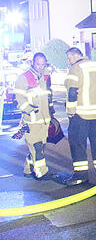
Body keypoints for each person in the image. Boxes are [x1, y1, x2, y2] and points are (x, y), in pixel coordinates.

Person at [59, 47, 96, 186]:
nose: (68, 61)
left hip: (81, 114)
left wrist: (70, 111)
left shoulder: (76, 68)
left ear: (75, 55)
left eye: (69, 58)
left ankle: (80, 175)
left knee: (77, 144)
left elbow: (72, 91)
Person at [13, 52, 54, 180]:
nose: (41, 67)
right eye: (38, 64)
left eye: (43, 64)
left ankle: (28, 169)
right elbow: (19, 100)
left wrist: (50, 112)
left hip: (43, 119)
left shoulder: (44, 77)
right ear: (32, 63)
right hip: (32, 120)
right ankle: (42, 172)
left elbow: (48, 96)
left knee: (39, 146)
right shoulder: (24, 78)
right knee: (36, 146)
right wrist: (31, 111)